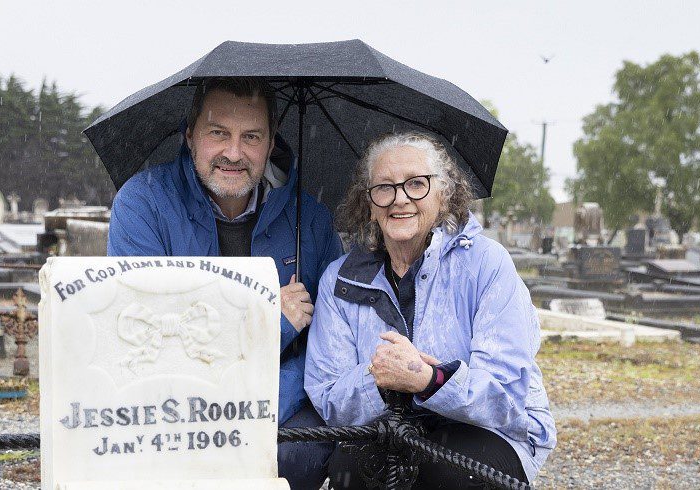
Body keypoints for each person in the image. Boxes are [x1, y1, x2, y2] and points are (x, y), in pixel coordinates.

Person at [107, 77, 342, 489]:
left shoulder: (314, 220)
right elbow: (149, 338)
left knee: (290, 453)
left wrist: (256, 406)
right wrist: (270, 322)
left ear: (271, 144)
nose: (234, 153)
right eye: (219, 133)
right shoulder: (143, 204)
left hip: (283, 399)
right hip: (170, 402)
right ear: (190, 136)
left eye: (251, 136)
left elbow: (334, 342)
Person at [305, 131, 556, 488]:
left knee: (444, 472)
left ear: (444, 193)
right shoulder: (340, 279)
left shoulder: (486, 264)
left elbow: (505, 396)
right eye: (384, 188)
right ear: (370, 205)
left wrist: (429, 380)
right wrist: (379, 379)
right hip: (388, 426)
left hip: (485, 431)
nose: (400, 199)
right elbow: (329, 397)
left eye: (416, 184)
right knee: (352, 466)